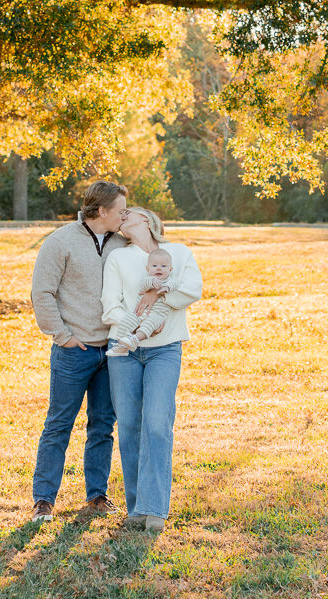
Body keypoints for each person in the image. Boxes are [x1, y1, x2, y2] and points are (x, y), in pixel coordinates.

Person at [30, 180, 128, 522]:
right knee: (59, 425)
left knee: (103, 426)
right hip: (74, 351)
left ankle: (97, 495)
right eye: (120, 210)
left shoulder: (122, 241)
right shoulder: (60, 241)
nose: (125, 215)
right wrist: (62, 335)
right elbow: (42, 293)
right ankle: (44, 499)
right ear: (101, 211)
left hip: (113, 350)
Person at [101, 206, 202, 532]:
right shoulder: (118, 258)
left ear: (145, 219)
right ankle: (138, 509)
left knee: (158, 424)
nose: (122, 216)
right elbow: (110, 305)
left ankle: (155, 509)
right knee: (130, 426)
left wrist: (156, 293)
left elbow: (192, 290)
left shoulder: (179, 252)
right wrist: (135, 323)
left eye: (128, 212)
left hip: (165, 351)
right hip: (123, 349)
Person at [105, 248, 181, 356]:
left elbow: (174, 284)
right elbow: (144, 285)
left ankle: (135, 339)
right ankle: (121, 345)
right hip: (139, 312)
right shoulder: (147, 279)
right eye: (154, 266)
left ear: (170, 269)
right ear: (147, 268)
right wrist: (153, 282)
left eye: (163, 266)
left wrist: (166, 288)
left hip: (157, 314)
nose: (158, 268)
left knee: (149, 325)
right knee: (126, 321)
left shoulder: (170, 280)